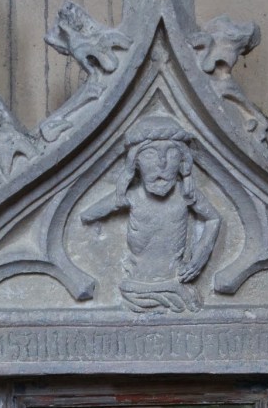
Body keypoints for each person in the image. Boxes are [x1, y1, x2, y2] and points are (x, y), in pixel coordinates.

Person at [81, 115, 220, 312]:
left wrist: (198, 259)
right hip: (135, 287)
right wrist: (117, 199)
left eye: (171, 153)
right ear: (135, 163)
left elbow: (213, 218)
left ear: (183, 162)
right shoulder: (133, 196)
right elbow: (87, 216)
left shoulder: (185, 194)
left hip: (175, 283)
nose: (161, 164)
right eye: (149, 155)